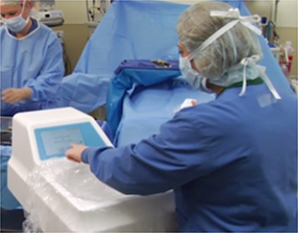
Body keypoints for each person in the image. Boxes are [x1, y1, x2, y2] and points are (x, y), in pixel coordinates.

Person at [65, 2, 297, 232]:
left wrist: (89, 154)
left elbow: (134, 171)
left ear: (208, 57)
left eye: (182, 52)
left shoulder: (207, 123)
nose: (181, 61)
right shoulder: (287, 102)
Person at [0, 0, 64, 116]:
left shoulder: (48, 39)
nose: (7, 19)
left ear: (27, 6)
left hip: (36, 114)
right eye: (3, 15)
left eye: (12, 13)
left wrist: (27, 92)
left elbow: (52, 77)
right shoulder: (1, 37)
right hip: (3, 116)